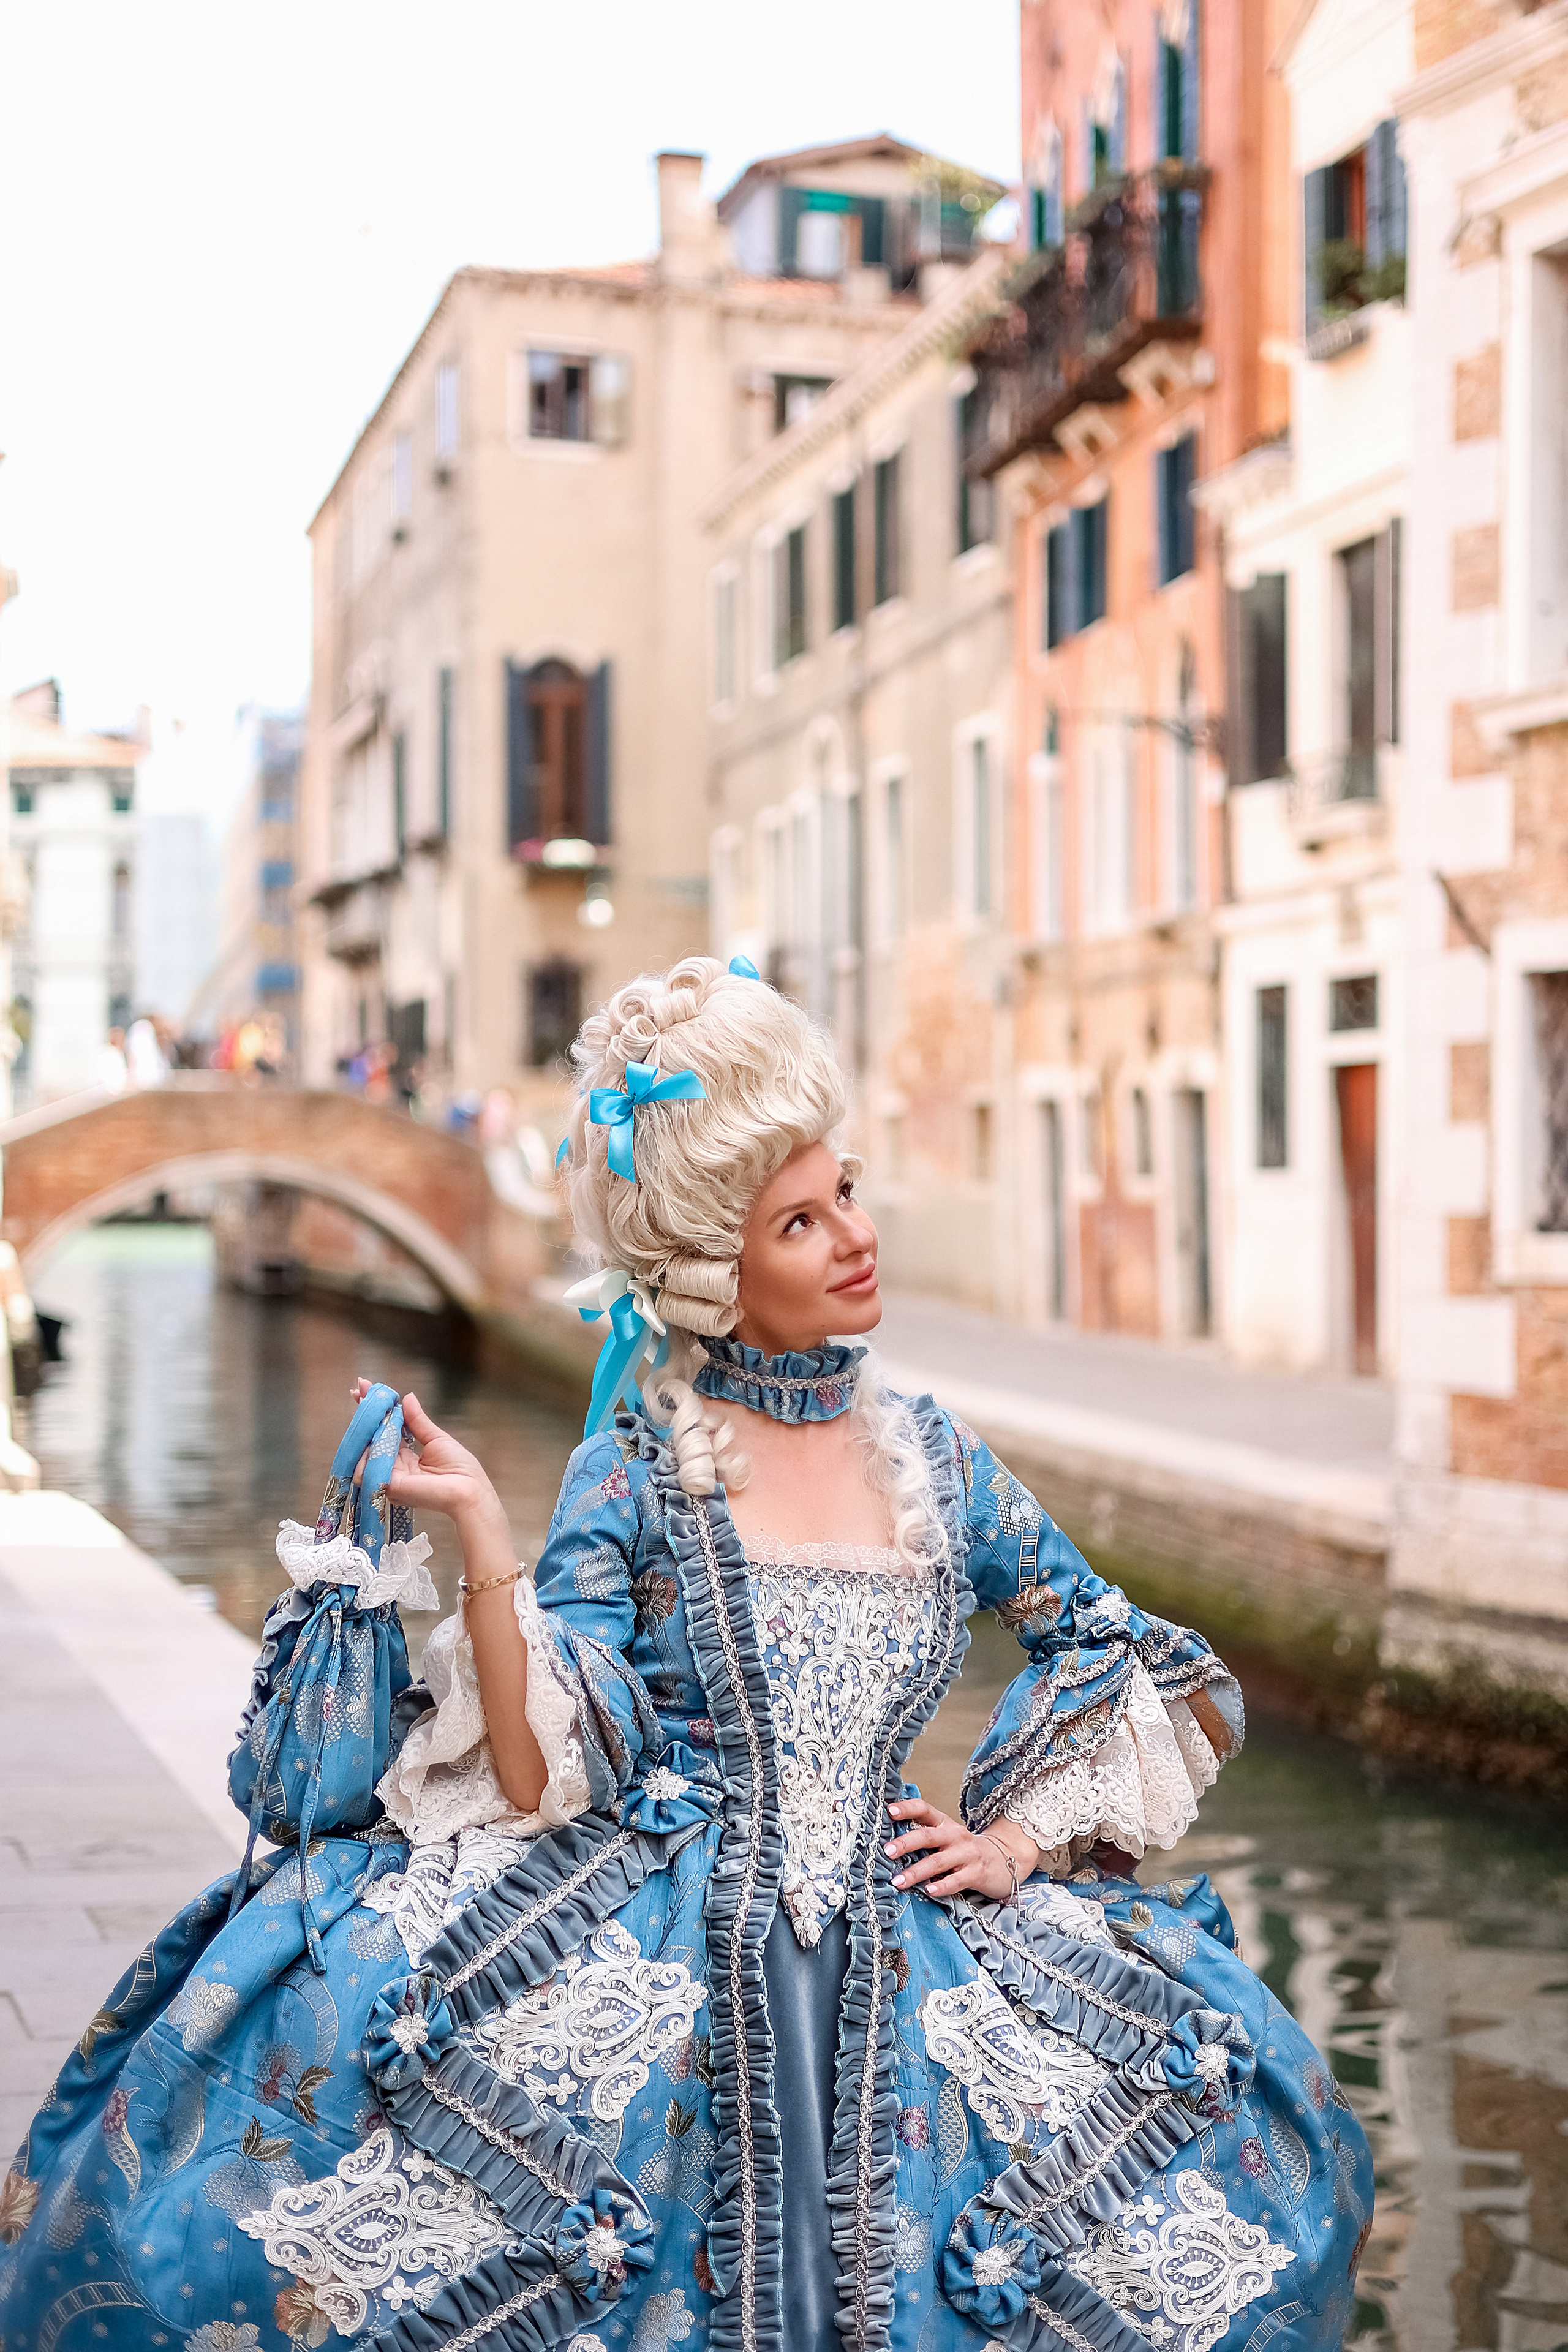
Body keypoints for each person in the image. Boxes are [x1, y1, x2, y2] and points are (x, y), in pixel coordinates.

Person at [0, 957, 1372, 2351]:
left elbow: (1105, 1642)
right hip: (672, 1959)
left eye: (846, 1192)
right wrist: (486, 1534)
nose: (855, 1237)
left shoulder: (937, 1459)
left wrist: (1011, 1843)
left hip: (910, 1948)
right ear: (722, 1269)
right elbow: (542, 1766)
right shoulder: (637, 1463)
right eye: (800, 1221)